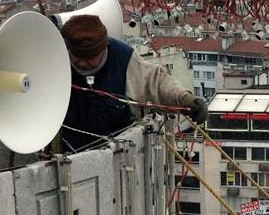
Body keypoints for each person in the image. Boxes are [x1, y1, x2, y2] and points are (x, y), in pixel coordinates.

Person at [58, 14, 208, 151]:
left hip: (119, 155)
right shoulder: (56, 59)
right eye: (77, 57)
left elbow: (156, 82)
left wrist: (186, 101)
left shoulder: (123, 59)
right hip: (69, 154)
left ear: (103, 50)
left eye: (89, 58)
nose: (82, 64)